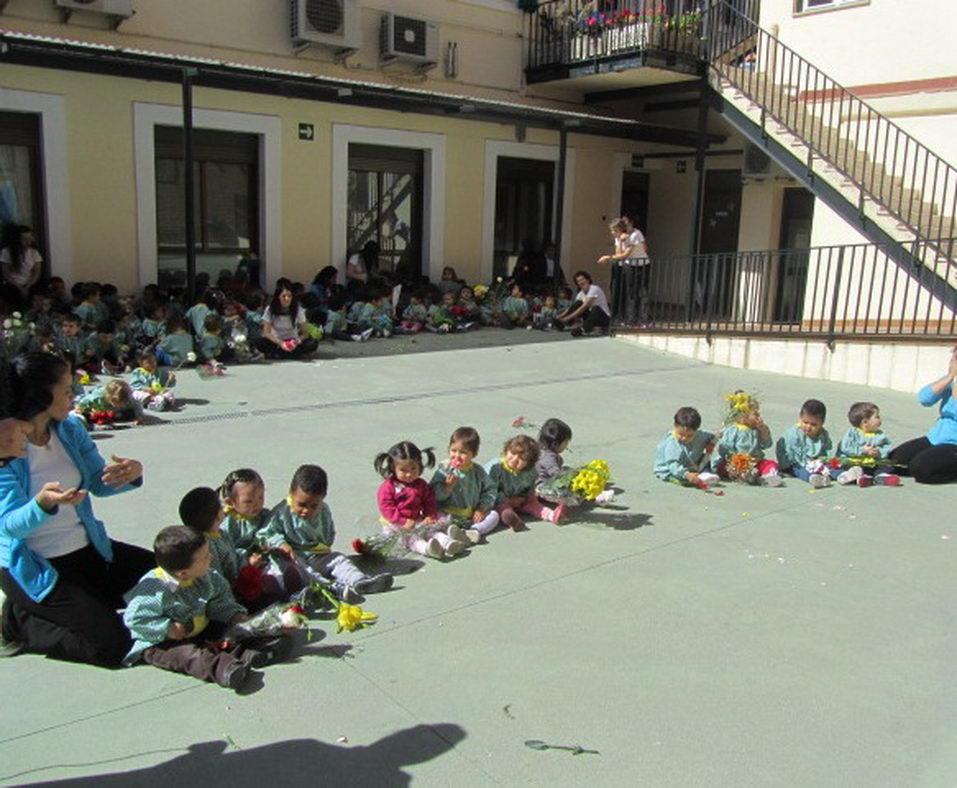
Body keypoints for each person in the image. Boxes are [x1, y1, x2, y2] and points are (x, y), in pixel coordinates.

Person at [0, 352, 152, 664]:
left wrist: (129, 476)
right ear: (41, 394)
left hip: (88, 550)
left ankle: (89, 601)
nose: (76, 395)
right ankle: (19, 623)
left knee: (166, 574)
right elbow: (8, 525)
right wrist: (42, 505)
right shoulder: (7, 446)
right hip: (37, 566)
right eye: (68, 389)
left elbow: (96, 482)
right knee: (112, 646)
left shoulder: (69, 429)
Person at [122, 526, 292, 689]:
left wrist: (233, 615)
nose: (210, 557)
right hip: (163, 641)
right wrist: (167, 628)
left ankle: (252, 652)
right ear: (183, 573)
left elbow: (218, 599)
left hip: (200, 625)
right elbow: (134, 619)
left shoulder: (206, 576)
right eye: (204, 557)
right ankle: (224, 669)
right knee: (187, 656)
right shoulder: (154, 590)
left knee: (227, 631)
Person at [258, 464, 393, 601]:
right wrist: (281, 544)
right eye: (301, 505)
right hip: (294, 558)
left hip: (316, 557)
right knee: (293, 570)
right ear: (291, 494)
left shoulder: (323, 511)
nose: (307, 510)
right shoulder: (282, 512)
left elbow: (329, 534)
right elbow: (264, 534)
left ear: (322, 498)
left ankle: (359, 581)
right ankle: (329, 588)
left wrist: (322, 545)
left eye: (313, 506)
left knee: (338, 559)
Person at [888, 345, 957, 484]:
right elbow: (925, 399)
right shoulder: (951, 381)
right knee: (892, 462)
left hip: (954, 443)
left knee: (921, 470)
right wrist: (949, 377)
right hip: (934, 438)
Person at [374, 441, 454, 559]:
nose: (409, 474)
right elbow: (386, 507)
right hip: (394, 525)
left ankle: (449, 542)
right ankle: (428, 549)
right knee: (412, 539)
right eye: (403, 470)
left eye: (413, 468)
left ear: (420, 466)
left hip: (416, 520)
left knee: (430, 531)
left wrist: (429, 515)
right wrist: (402, 521)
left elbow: (429, 500)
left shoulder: (420, 484)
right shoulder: (388, 487)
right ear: (393, 468)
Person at [430, 426, 497, 544]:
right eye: (453, 450)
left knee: (494, 516)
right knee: (437, 518)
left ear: (474, 454)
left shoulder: (478, 471)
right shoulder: (444, 469)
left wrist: (482, 508)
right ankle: (449, 535)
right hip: (448, 514)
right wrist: (446, 488)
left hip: (471, 516)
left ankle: (474, 531)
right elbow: (433, 494)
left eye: (463, 452)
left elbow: (490, 490)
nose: (457, 456)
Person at [486, 435, 564, 531]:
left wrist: (526, 497)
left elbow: (530, 487)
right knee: (502, 508)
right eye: (513, 453)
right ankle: (512, 520)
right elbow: (489, 492)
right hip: (498, 499)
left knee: (534, 505)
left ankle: (551, 515)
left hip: (519, 498)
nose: (514, 459)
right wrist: (508, 500)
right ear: (506, 450)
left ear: (529, 463)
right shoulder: (496, 468)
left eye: (521, 459)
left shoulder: (531, 472)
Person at [712, 391, 782, 486]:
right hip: (736, 463)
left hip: (754, 461)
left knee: (770, 463)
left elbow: (767, 444)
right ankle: (744, 475)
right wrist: (735, 460)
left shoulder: (756, 430)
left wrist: (763, 430)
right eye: (755, 414)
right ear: (743, 416)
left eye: (758, 414)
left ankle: (769, 476)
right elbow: (724, 448)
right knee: (723, 467)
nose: (759, 417)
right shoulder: (733, 430)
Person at [775, 399, 840, 488]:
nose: (808, 427)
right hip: (793, 461)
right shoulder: (794, 435)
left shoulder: (823, 434)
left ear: (822, 423)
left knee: (831, 467)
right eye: (805, 422)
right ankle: (812, 478)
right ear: (800, 417)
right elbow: (795, 455)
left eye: (814, 425)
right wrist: (811, 464)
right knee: (799, 470)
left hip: (814, 460)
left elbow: (827, 449)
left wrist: (829, 460)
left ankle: (842, 475)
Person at [835, 402, 901, 487]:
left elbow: (886, 446)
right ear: (865, 422)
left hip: (872, 463)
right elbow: (845, 447)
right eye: (877, 417)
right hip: (855, 462)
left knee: (887, 465)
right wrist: (863, 450)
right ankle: (859, 477)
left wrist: (878, 452)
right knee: (855, 468)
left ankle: (880, 477)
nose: (880, 419)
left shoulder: (879, 435)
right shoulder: (852, 433)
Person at [653, 407, 719, 486]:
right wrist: (686, 475)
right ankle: (688, 475)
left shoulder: (700, 435)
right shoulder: (672, 443)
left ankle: (705, 473)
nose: (684, 438)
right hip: (669, 469)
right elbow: (673, 464)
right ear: (675, 426)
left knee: (705, 457)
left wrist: (712, 441)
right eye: (681, 434)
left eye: (690, 436)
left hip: (689, 464)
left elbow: (714, 435)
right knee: (685, 481)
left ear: (696, 431)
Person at [256, 278, 319, 360]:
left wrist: (296, 342)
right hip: (276, 342)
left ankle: (284, 353)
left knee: (312, 343)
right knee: (259, 342)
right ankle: (286, 353)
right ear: (278, 297)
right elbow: (266, 333)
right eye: (284, 296)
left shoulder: (298, 309)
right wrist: (281, 343)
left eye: (289, 296)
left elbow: (305, 333)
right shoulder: (270, 309)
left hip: (292, 341)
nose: (287, 299)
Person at [555, 271, 611, 337]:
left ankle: (583, 329)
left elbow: (584, 306)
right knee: (578, 303)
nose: (581, 282)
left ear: (588, 279)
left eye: (582, 279)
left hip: (603, 318)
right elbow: (573, 306)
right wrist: (561, 316)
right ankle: (563, 324)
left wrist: (568, 317)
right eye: (578, 281)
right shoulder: (581, 293)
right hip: (591, 317)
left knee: (596, 308)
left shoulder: (594, 289)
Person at [0, 224, 42, 305]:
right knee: (10, 293)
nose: (28, 242)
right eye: (24, 239)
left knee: (39, 291)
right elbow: (6, 274)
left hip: (30, 283)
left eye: (30, 239)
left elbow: (37, 273)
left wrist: (28, 286)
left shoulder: (34, 252)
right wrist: (19, 288)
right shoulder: (6, 252)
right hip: (13, 284)